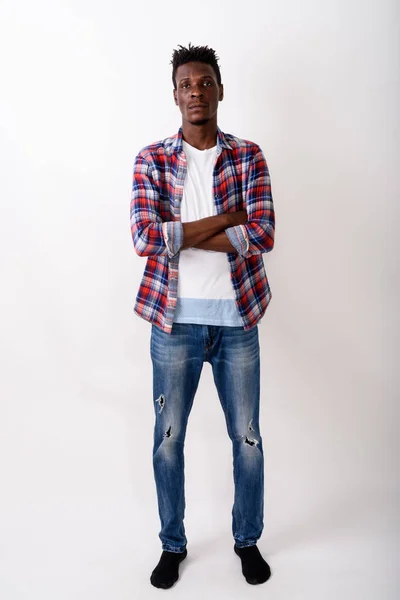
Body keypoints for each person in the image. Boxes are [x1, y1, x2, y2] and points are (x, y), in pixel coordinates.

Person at [130, 43, 275, 589]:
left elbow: (261, 233)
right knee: (168, 438)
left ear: (219, 88)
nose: (196, 91)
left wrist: (185, 234)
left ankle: (247, 540)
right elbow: (148, 238)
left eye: (205, 82)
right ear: (175, 94)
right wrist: (225, 222)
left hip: (238, 320)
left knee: (248, 437)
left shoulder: (248, 155)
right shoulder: (152, 159)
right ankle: (173, 544)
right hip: (173, 324)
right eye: (186, 84)